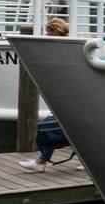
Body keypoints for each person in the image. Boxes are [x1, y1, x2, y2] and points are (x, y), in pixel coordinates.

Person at [19, 18, 71, 173]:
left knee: (66, 129)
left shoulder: (65, 48)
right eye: (47, 30)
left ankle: (41, 161)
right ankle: (41, 161)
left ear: (59, 31)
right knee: (69, 129)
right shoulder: (54, 48)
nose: (47, 33)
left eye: (50, 30)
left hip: (71, 98)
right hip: (63, 96)